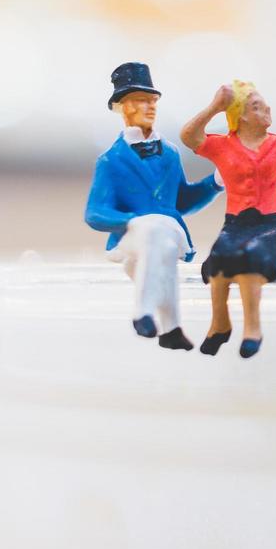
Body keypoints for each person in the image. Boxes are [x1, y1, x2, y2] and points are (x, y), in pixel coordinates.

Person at [181, 77, 276, 358]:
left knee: (251, 260)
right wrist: (215, 107)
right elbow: (189, 136)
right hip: (236, 224)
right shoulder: (223, 146)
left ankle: (252, 327)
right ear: (240, 116)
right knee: (219, 260)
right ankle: (220, 324)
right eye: (256, 106)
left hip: (268, 226)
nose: (265, 109)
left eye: (265, 105)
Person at [85, 62, 223, 350]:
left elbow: (181, 200)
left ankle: (156, 320)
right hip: (131, 237)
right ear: (123, 108)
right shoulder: (110, 160)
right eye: (140, 101)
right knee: (154, 233)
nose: (150, 107)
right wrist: (130, 221)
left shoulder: (170, 153)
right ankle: (157, 320)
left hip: (166, 231)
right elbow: (95, 213)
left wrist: (215, 183)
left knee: (160, 234)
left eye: (152, 100)